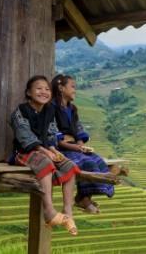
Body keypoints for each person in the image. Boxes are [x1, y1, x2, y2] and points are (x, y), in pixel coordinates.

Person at [8, 75, 80, 235]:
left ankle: (68, 210)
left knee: (69, 165)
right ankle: (48, 210)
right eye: (39, 88)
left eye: (47, 89)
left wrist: (54, 151)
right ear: (28, 92)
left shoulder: (49, 110)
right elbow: (25, 138)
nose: (44, 92)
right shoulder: (20, 112)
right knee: (45, 162)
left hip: (45, 150)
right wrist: (47, 152)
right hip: (24, 152)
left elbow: (51, 134)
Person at [51, 74, 114, 214]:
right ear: (61, 88)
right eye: (72, 87)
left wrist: (81, 146)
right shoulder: (51, 107)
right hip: (59, 148)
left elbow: (78, 130)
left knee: (97, 160)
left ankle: (83, 197)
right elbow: (53, 135)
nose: (75, 90)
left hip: (74, 146)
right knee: (86, 163)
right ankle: (83, 200)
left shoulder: (72, 109)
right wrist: (76, 147)